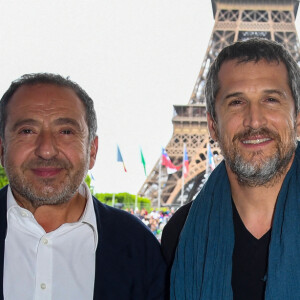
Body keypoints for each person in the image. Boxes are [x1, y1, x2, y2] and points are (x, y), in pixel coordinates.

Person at [0, 73, 167, 300]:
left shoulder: (139, 247)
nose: (46, 149)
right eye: (27, 131)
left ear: (92, 151)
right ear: (2, 149)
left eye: (66, 132)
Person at [161, 38, 300, 300]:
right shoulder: (179, 234)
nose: (254, 120)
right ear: (213, 125)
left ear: (298, 118)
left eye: (270, 99)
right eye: (236, 102)